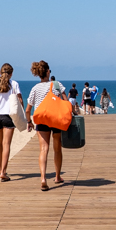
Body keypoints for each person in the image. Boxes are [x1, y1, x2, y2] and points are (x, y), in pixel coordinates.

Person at [25, 60, 67, 191]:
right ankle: (57, 176)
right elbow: (66, 102)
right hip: (56, 119)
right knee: (57, 148)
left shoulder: (35, 88)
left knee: (43, 149)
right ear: (48, 72)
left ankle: (43, 178)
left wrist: (29, 122)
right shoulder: (57, 84)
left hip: (42, 120)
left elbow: (28, 109)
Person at [0, 63, 22, 182]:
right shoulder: (14, 84)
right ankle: (3, 171)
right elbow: (20, 100)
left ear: (0, 72)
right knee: (6, 144)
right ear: (11, 73)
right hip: (8, 116)